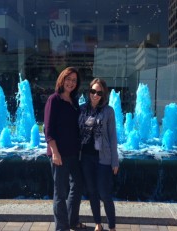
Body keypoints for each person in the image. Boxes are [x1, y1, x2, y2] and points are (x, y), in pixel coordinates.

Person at [44, 67, 86, 231]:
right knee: (60, 192)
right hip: (58, 154)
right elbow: (48, 129)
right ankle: (62, 228)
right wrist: (55, 152)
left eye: (74, 80)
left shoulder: (74, 101)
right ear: (62, 79)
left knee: (78, 185)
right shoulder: (53, 100)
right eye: (68, 79)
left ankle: (72, 221)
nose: (71, 83)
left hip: (73, 153)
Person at [79, 78, 119, 231]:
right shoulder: (82, 109)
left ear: (103, 95)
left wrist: (115, 161)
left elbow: (113, 137)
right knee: (92, 192)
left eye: (99, 92)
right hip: (86, 158)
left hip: (104, 158)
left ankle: (112, 226)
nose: (95, 95)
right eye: (93, 91)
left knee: (105, 194)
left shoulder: (108, 111)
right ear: (89, 92)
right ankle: (98, 223)